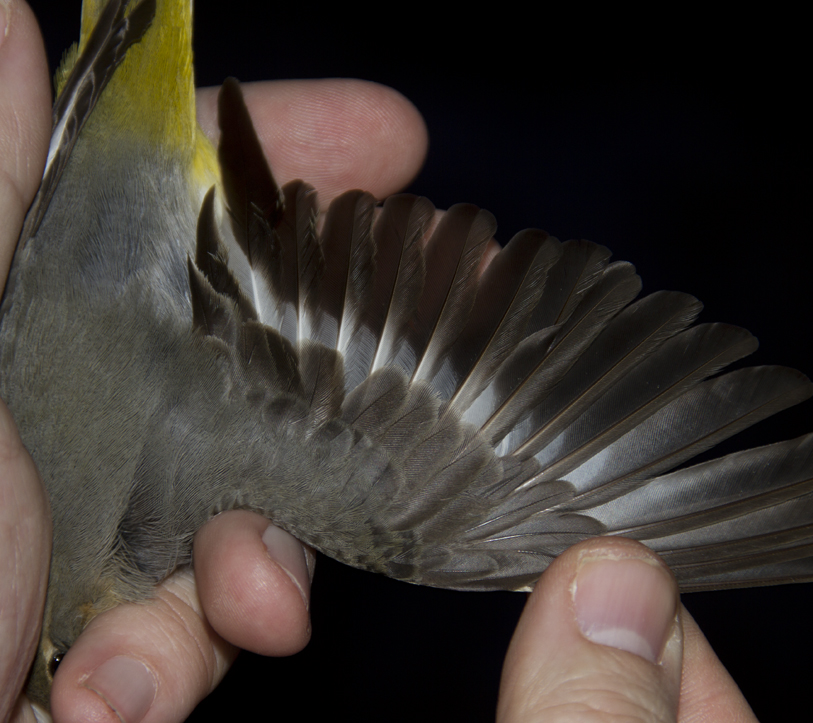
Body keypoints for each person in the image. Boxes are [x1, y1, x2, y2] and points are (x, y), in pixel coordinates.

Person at [0, 1, 757, 720]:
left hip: (120, 171)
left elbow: (533, 511)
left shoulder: (95, 556)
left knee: (443, 519)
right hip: (91, 145)